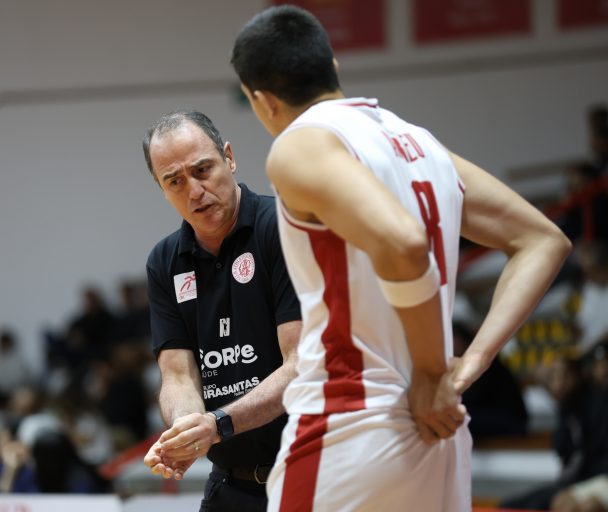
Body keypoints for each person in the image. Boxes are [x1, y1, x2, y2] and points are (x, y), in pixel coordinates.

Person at [230, 6, 572, 511]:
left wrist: (433, 374)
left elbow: (404, 245)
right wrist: (468, 366)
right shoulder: (419, 143)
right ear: (334, 67)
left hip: (351, 425)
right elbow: (543, 240)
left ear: (260, 99)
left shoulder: (300, 144)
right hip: (439, 434)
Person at [141, 110, 302, 512]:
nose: (194, 191)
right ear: (161, 188)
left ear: (229, 158)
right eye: (174, 181)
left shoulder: (284, 228)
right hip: (231, 483)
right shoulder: (164, 261)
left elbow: (302, 364)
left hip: (309, 476)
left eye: (202, 170)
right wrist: (187, 431)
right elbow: (178, 376)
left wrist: (217, 425)